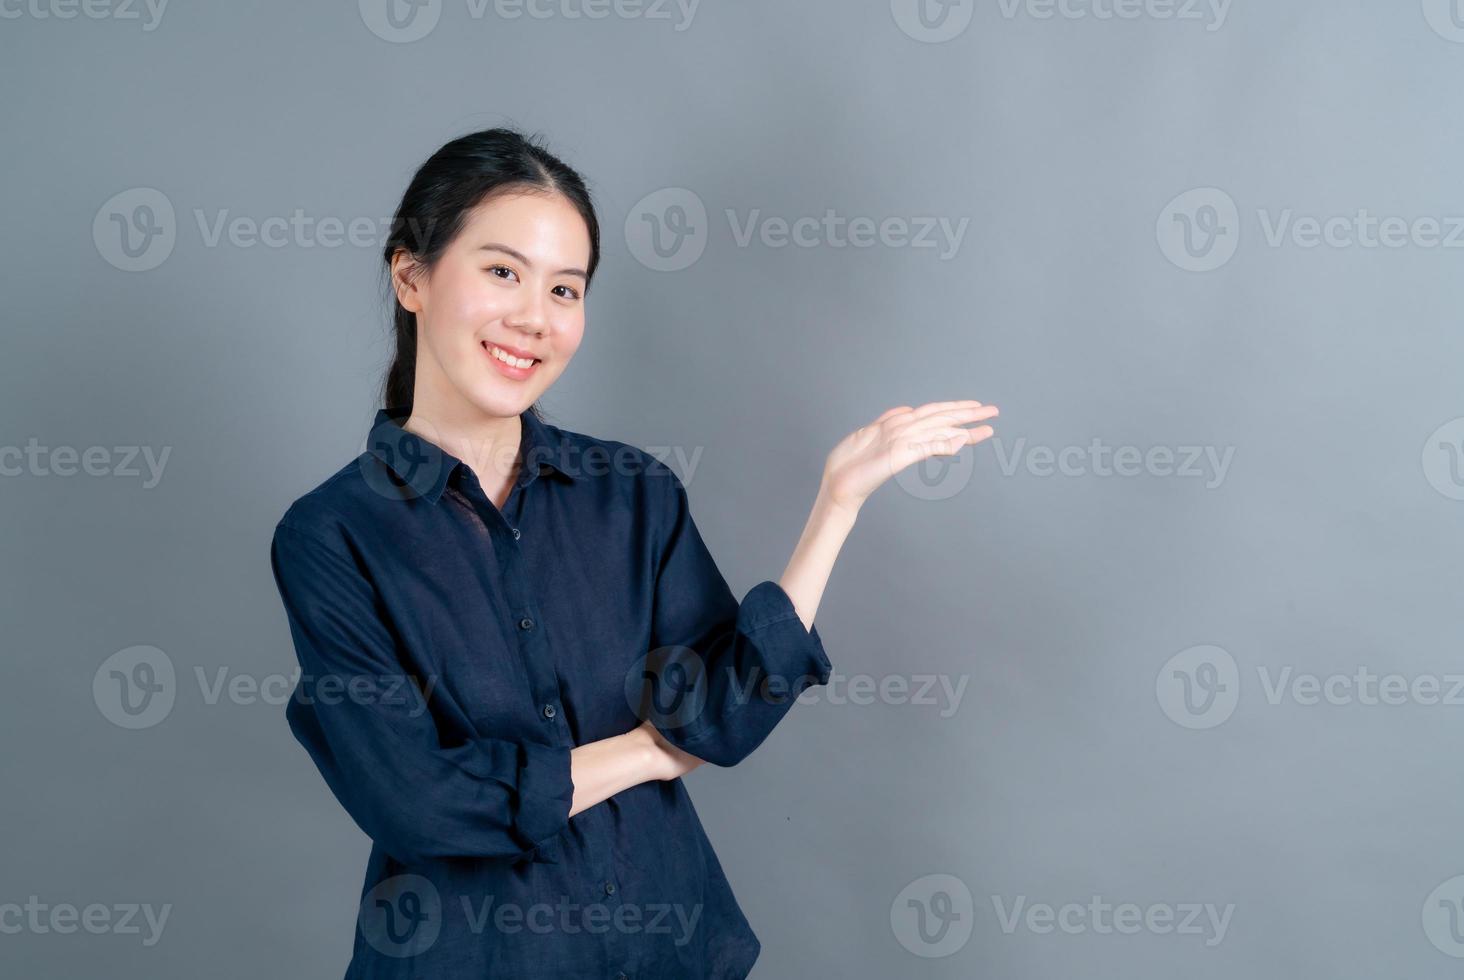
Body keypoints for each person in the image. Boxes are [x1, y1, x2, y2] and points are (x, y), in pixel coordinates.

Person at [268, 126, 999, 979]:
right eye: (502, 272)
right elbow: (420, 803)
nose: (533, 318)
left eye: (565, 289)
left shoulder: (630, 491)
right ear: (412, 277)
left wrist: (836, 503)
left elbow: (722, 714)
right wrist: (652, 752)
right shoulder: (332, 536)